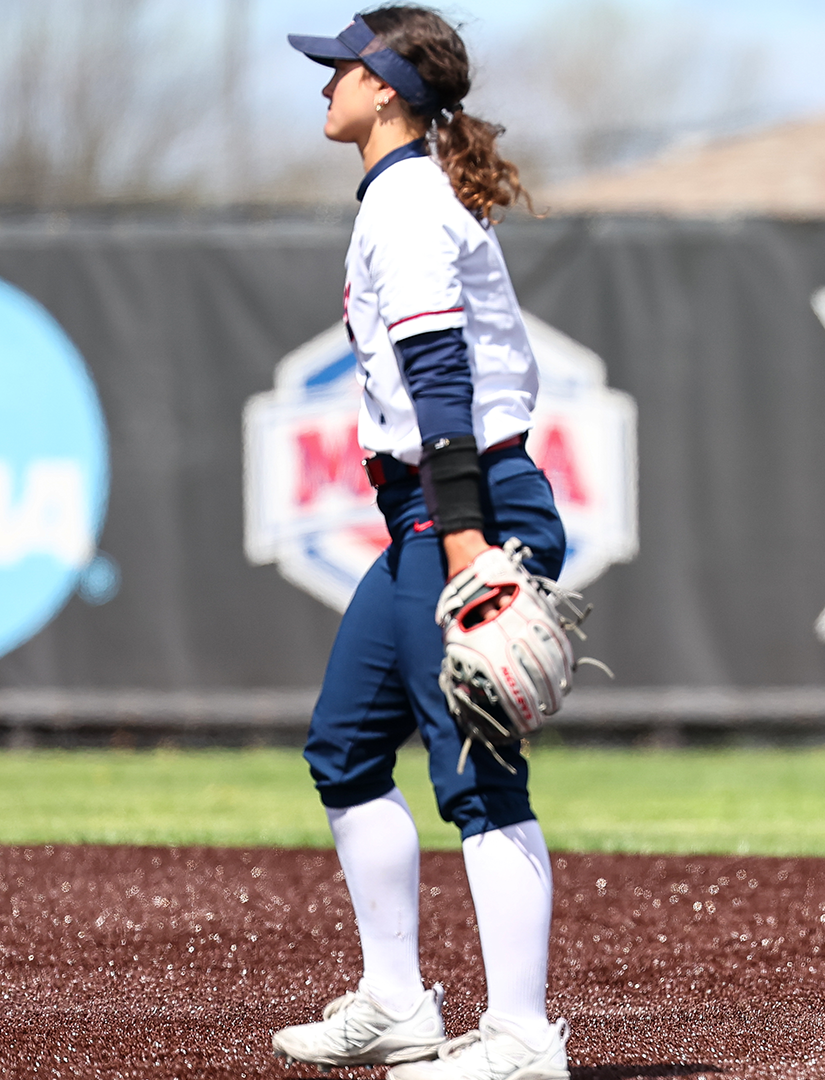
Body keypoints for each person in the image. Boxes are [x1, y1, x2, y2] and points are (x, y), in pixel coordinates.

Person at [268, 9, 571, 1079]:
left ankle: (524, 1037)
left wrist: (464, 547)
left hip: (466, 506)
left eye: (338, 70)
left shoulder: (404, 203)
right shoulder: (402, 194)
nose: (323, 87)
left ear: (386, 88)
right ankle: (397, 1001)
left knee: (477, 772)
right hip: (432, 514)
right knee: (346, 749)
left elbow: (442, 380)